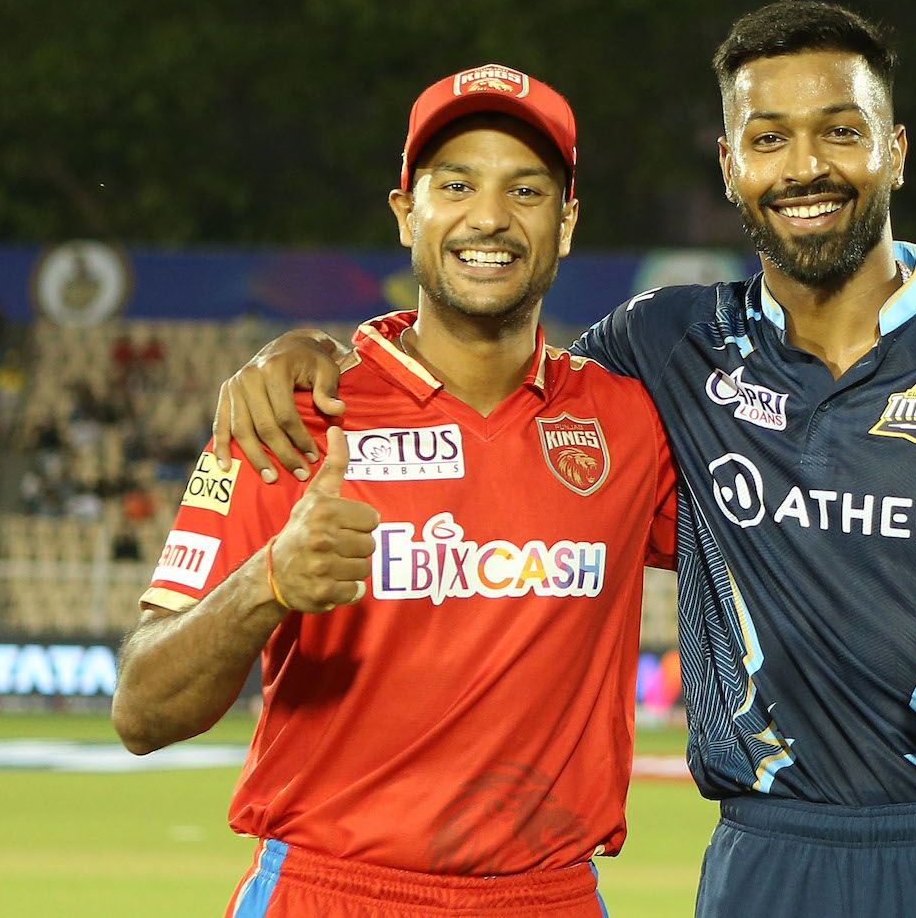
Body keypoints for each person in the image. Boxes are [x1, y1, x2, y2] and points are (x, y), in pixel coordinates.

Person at [215, 2, 916, 918]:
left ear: (893, 150)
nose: (804, 165)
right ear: (730, 165)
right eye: (768, 138)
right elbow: (483, 362)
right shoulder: (668, 343)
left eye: (839, 130)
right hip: (769, 850)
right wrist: (320, 351)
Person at [113, 66, 690, 917]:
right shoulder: (296, 414)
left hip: (548, 897)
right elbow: (140, 710)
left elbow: (802, 529)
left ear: (567, 223)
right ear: (404, 213)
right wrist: (266, 583)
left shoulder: (629, 422)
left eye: (524, 189)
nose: (488, 217)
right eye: (455, 184)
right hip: (330, 892)